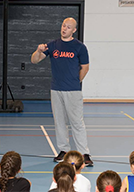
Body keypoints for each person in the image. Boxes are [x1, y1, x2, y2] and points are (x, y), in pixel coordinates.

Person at [31, 17, 93, 166]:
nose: (64, 29)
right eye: (64, 26)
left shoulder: (79, 47)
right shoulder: (52, 45)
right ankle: (63, 150)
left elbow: (85, 67)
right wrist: (38, 51)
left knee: (77, 122)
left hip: (73, 90)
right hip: (56, 89)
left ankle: (84, 153)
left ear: (74, 30)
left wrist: (75, 81)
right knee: (59, 122)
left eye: (68, 27)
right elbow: (34, 60)